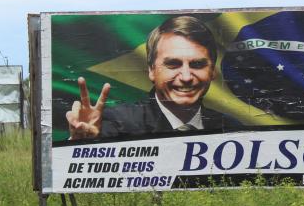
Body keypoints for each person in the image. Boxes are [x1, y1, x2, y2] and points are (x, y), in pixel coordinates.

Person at [66, 16, 226, 139]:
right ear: (151, 70)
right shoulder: (116, 125)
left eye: (197, 64)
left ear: (212, 71)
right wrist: (83, 145)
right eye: (173, 64)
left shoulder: (229, 126)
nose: (186, 77)